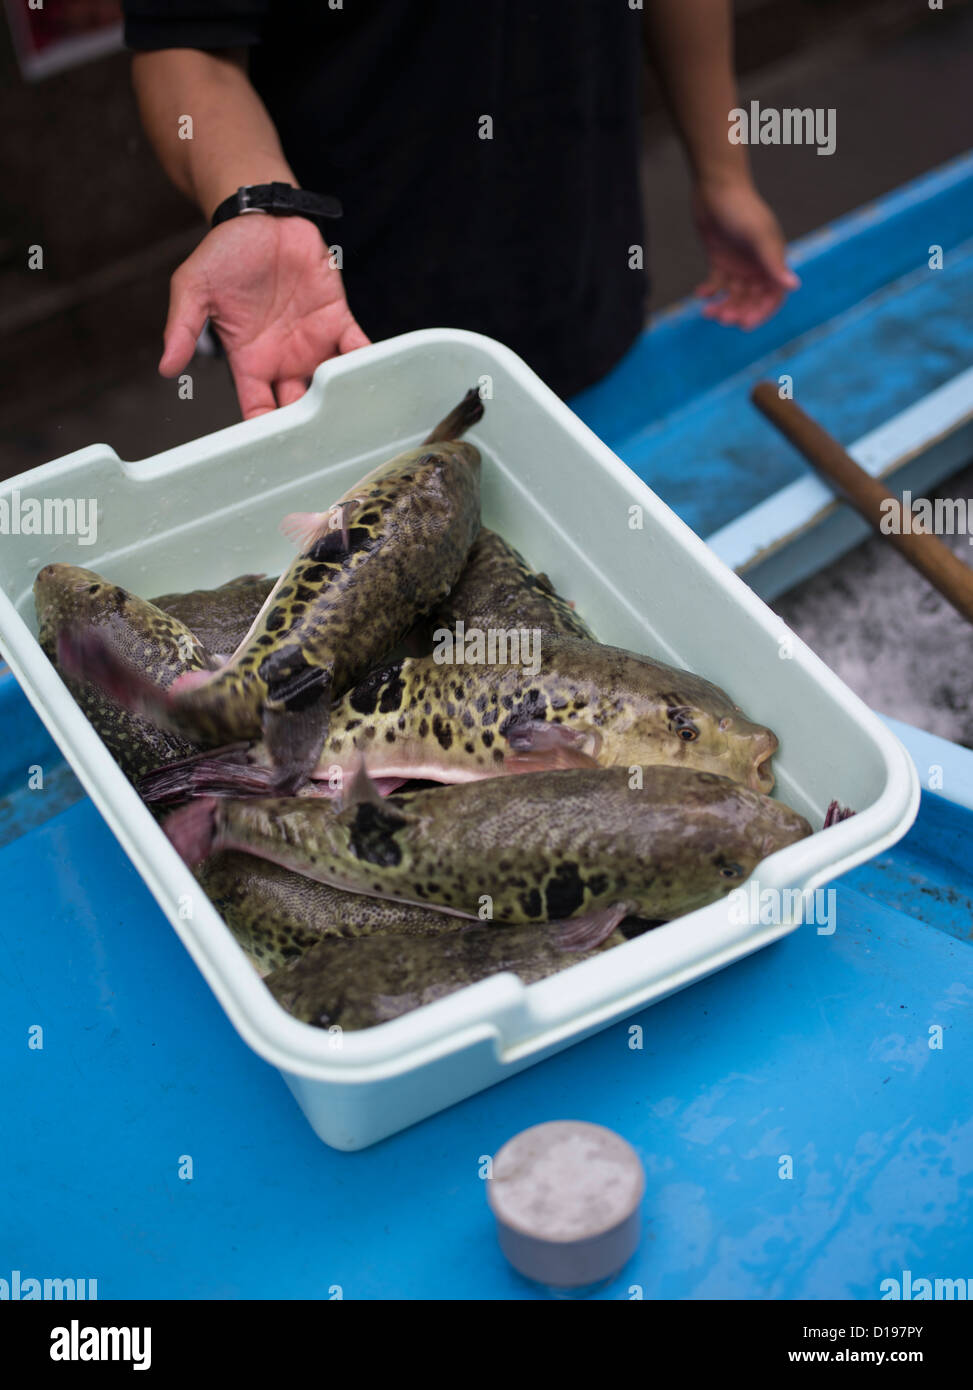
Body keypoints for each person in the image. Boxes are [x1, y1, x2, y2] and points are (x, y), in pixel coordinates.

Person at [123, 1, 798, 419]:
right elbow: (187, 41)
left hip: (587, 272)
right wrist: (258, 207)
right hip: (345, 324)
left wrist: (722, 171)